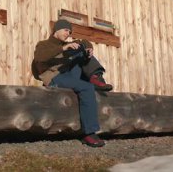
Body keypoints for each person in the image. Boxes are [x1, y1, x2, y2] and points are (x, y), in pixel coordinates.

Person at [32, 19, 113, 147]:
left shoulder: (69, 45)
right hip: (54, 77)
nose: (68, 33)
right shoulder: (44, 45)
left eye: (69, 31)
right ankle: (89, 134)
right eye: (65, 30)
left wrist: (88, 48)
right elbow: (40, 57)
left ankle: (96, 77)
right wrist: (63, 48)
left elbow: (84, 42)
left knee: (82, 51)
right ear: (57, 30)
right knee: (86, 87)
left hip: (68, 74)